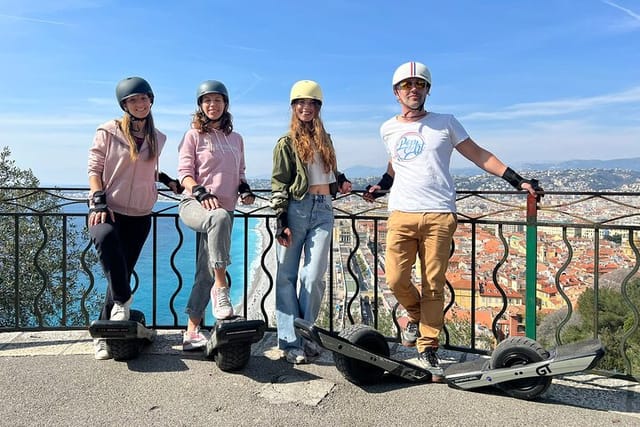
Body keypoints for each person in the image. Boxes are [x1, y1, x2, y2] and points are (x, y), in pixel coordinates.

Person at [364, 61, 540, 381]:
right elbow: (396, 165)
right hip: (401, 213)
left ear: (428, 90)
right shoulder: (387, 128)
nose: (413, 89)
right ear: (396, 92)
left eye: (420, 84)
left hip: (439, 214)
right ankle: (419, 318)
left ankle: (427, 345)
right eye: (407, 85)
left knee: (432, 284)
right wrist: (380, 187)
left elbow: (479, 155)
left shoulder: (446, 123)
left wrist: (516, 180)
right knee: (395, 279)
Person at [88, 76, 180, 360]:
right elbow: (95, 168)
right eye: (133, 100)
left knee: (120, 273)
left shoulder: (157, 138)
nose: (140, 104)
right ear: (124, 105)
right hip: (108, 208)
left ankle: (104, 336)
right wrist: (99, 199)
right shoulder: (108, 131)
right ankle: (123, 300)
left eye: (143, 99)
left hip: (140, 214)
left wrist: (166, 179)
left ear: (151, 100)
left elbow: (146, 170)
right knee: (104, 239)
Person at [270, 80, 352, 364]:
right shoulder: (286, 143)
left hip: (324, 209)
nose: (306, 108)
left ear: (318, 107)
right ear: (294, 107)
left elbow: (329, 171)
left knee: (313, 276)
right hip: (296, 208)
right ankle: (290, 342)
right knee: (286, 276)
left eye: (312, 103)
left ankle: (305, 335)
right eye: (301, 103)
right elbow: (279, 182)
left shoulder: (325, 138)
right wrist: (281, 220)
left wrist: (340, 180)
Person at [177, 80, 254, 351]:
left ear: (226, 104)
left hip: (224, 210)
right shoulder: (194, 136)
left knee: (204, 271)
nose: (212, 105)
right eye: (207, 100)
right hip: (195, 206)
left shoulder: (236, 139)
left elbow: (240, 173)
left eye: (217, 100)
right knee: (219, 219)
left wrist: (244, 190)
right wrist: (200, 192)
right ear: (200, 106)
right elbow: (184, 174)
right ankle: (222, 289)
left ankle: (192, 331)